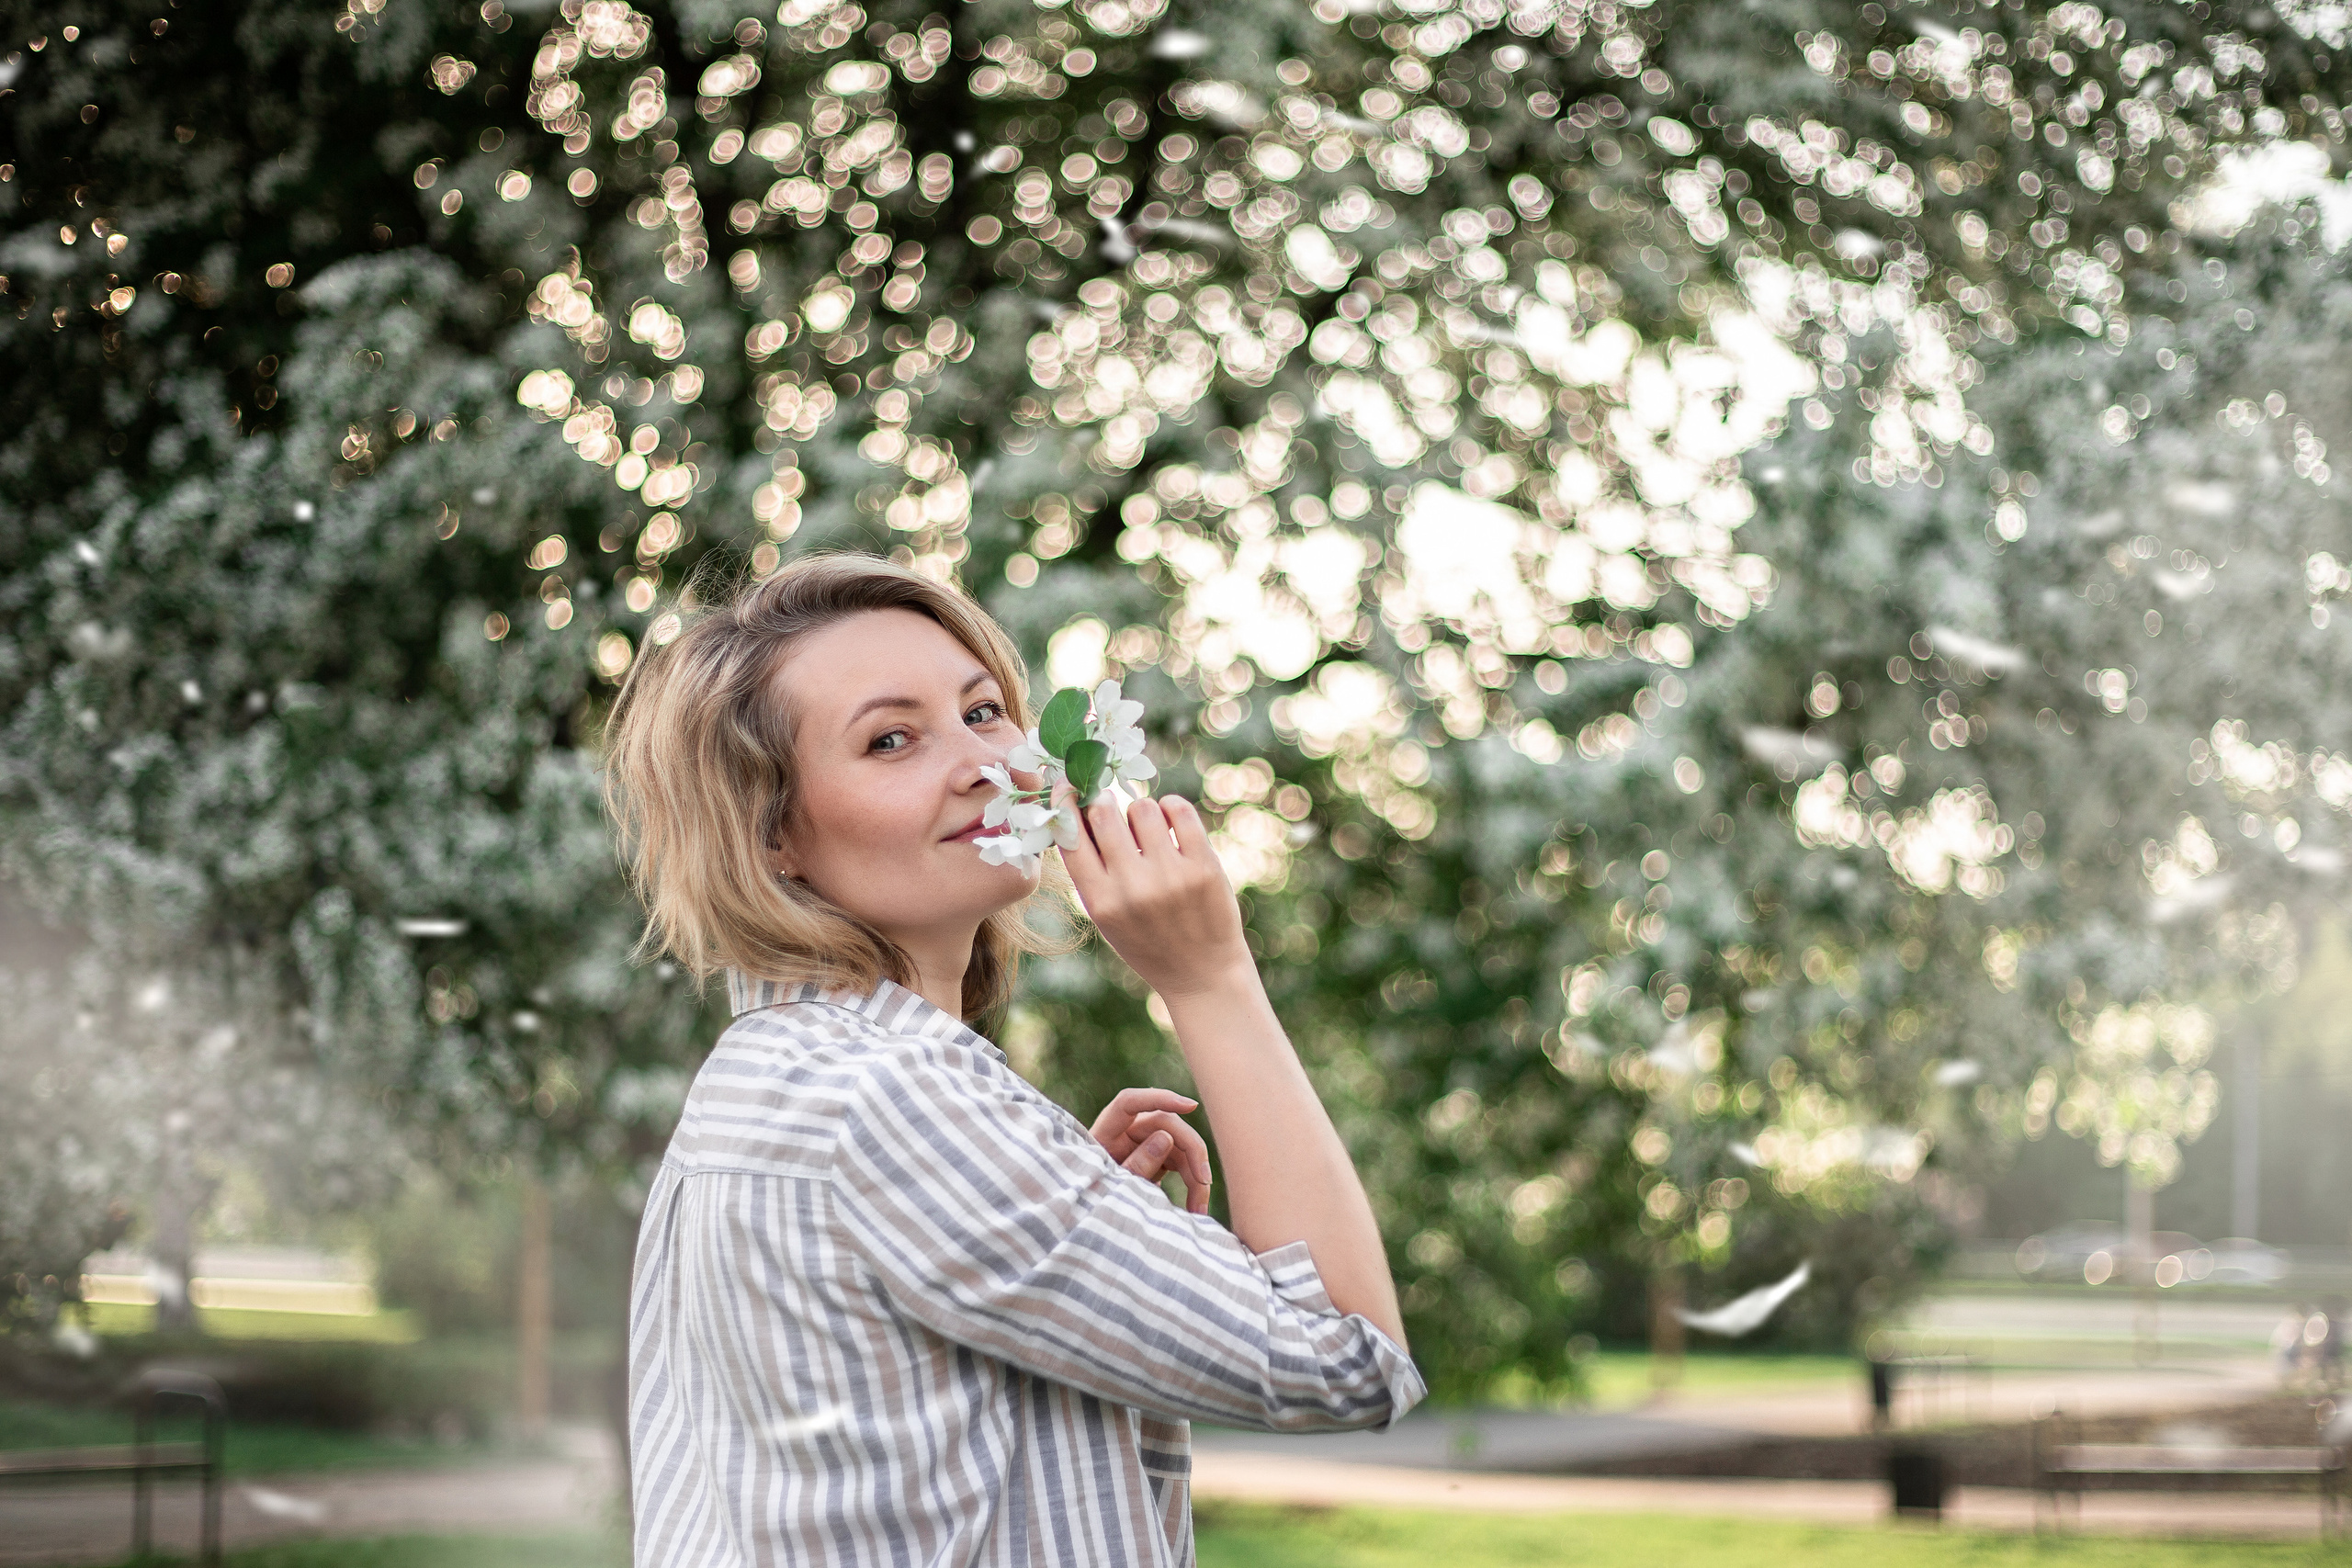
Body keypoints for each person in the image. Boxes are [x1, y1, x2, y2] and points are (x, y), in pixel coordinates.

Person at [605, 555, 1422, 1567]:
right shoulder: (892, 1100)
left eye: (984, 711)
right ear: (773, 834)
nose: (985, 763)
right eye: (891, 739)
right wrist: (1212, 979)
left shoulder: (772, 1077)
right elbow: (1349, 1358)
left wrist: (1062, 1205)